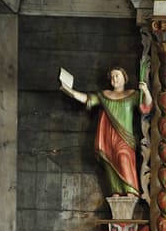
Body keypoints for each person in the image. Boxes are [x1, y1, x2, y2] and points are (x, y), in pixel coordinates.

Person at [61, 67, 153, 197]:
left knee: (123, 158)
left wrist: (145, 91)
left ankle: (131, 191)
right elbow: (87, 99)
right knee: (110, 165)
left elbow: (146, 108)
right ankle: (116, 192)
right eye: (112, 77)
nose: (114, 79)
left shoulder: (132, 95)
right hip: (107, 139)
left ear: (124, 78)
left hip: (124, 138)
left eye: (117, 76)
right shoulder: (105, 96)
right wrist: (70, 91)